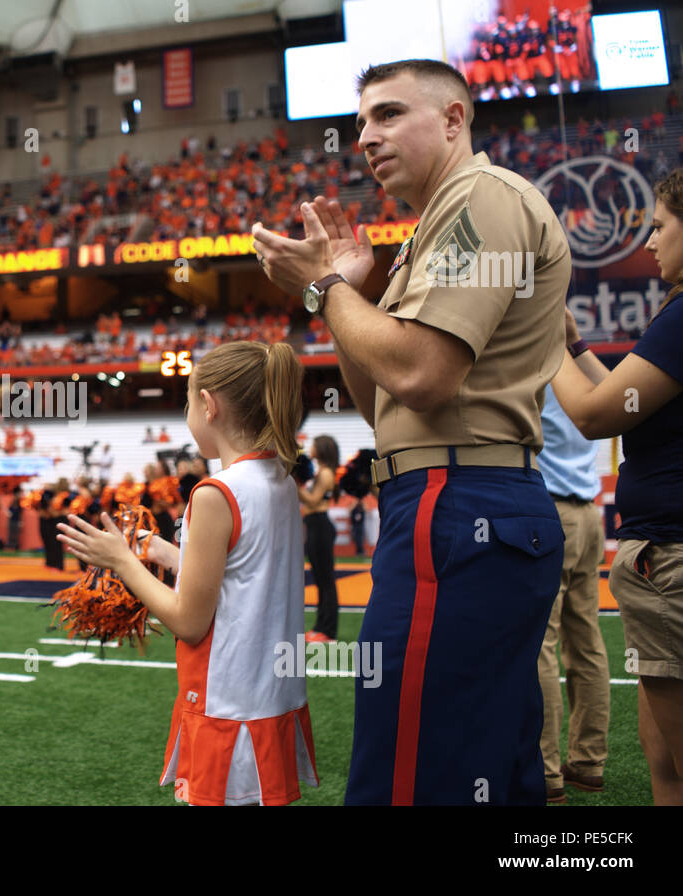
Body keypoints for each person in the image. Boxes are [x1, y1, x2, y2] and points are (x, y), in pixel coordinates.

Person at [252, 58, 569, 805]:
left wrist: (321, 288)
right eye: (362, 122)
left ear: (455, 120)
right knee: (483, 758)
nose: (366, 137)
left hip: (456, 502)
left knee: (410, 768)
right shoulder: (436, 225)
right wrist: (349, 295)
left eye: (389, 114)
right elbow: (384, 399)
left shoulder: (479, 200)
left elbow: (423, 373)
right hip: (466, 497)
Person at [57, 341, 318, 805]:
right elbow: (245, 575)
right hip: (270, 701)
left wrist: (121, 562)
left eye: (187, 401)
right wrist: (163, 552)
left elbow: (188, 621)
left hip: (227, 706)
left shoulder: (214, 492)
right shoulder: (281, 479)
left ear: (208, 405)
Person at [552, 168, 683, 805]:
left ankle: (556, 775)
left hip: (672, 553)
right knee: (662, 756)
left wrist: (543, 344)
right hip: (658, 550)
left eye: (660, 225)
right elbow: (620, 396)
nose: (650, 241)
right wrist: (574, 348)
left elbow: (594, 414)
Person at [534, 383, 610, 804]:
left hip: (550, 509)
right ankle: (588, 763)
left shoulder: (540, 363)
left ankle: (544, 772)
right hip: (588, 512)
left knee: (541, 641)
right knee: (587, 640)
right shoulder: (586, 371)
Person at [300, 435, 340, 643]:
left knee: (326, 580)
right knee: (321, 579)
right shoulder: (321, 472)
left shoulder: (325, 474)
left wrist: (295, 487)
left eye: (314, 444)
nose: (310, 448)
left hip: (320, 524)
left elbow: (314, 501)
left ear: (321, 449)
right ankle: (320, 627)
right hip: (315, 525)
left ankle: (328, 630)